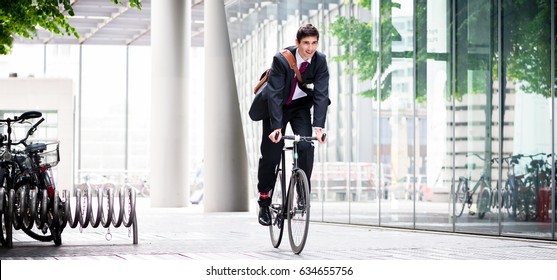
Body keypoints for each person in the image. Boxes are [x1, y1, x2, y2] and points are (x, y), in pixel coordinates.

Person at [249, 23, 330, 226]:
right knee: (271, 153)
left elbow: (321, 94)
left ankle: (303, 192)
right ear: (297, 43)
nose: (310, 48)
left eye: (314, 43)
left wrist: (318, 128)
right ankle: (264, 200)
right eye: (306, 43)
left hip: (299, 107)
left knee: (305, 144)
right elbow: (274, 94)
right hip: (276, 108)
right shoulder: (281, 59)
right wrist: (276, 127)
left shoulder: (319, 61)